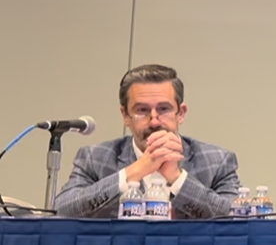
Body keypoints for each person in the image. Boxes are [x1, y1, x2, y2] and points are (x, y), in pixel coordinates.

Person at [55, 64, 242, 219]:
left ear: (181, 113)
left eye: (164, 109)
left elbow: (237, 220)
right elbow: (62, 210)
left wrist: (177, 178)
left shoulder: (217, 162)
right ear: (125, 116)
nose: (154, 121)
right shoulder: (95, 158)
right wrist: (134, 171)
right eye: (142, 110)